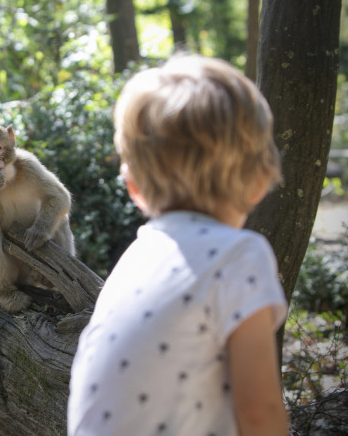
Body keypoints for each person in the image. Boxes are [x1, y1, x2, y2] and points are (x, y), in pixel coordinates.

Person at [68, 55, 290, 435]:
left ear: (133, 187)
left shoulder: (136, 259)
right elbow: (260, 413)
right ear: (261, 179)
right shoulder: (240, 254)